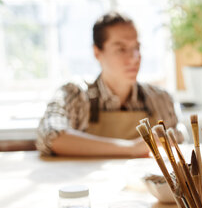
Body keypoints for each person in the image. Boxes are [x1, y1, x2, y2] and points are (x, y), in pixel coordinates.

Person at [37, 12, 180, 157]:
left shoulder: (161, 99)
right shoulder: (75, 94)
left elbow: (181, 143)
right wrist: (130, 149)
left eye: (136, 47)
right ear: (97, 52)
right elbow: (50, 137)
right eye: (121, 49)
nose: (134, 58)